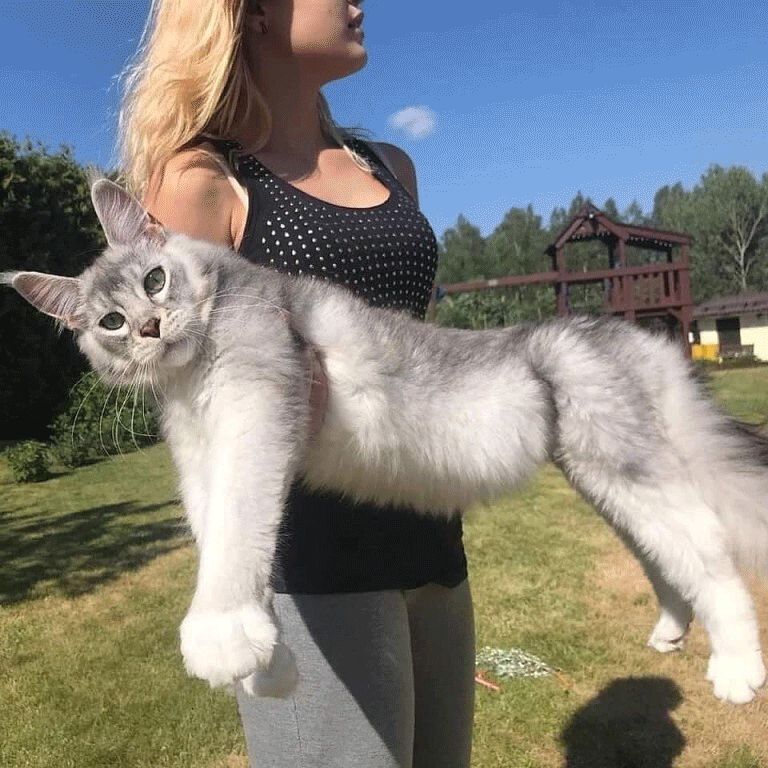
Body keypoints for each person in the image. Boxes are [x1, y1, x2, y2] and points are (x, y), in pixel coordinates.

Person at [117, 1, 474, 766]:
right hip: (311, 568)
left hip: (433, 541)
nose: (357, 4)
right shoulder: (201, 184)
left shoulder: (391, 167)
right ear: (250, 14)